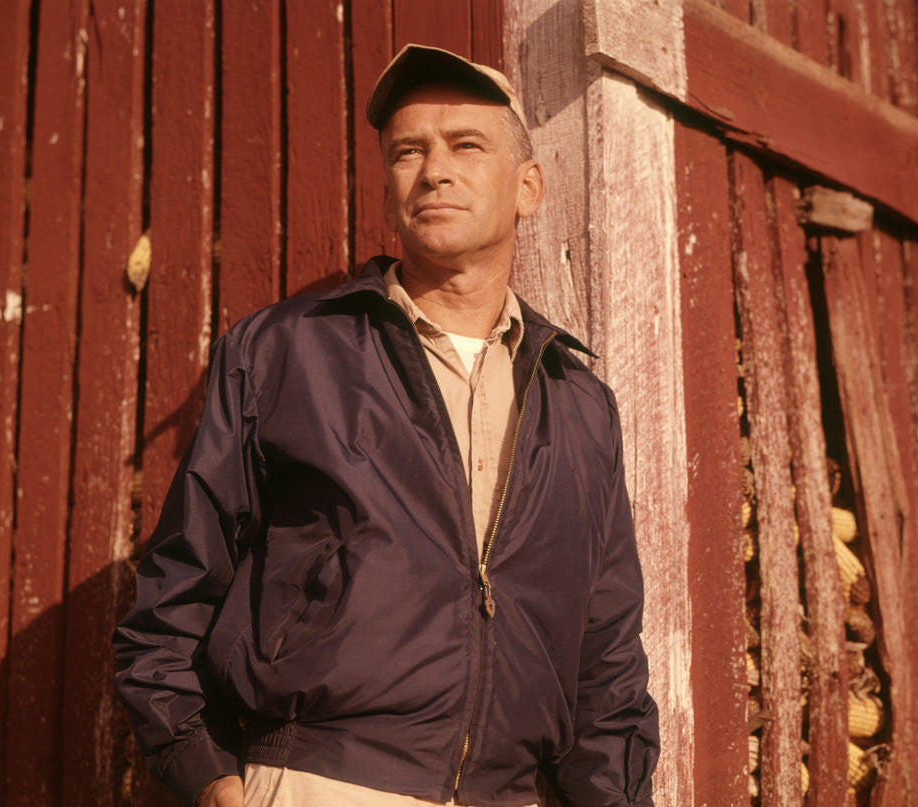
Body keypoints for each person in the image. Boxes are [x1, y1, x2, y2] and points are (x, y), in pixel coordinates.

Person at [113, 44, 659, 807]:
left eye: (467, 145)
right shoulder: (285, 352)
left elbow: (606, 657)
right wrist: (208, 773)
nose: (434, 169)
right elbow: (177, 589)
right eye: (409, 151)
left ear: (527, 186)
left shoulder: (579, 402)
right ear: (390, 183)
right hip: (322, 782)